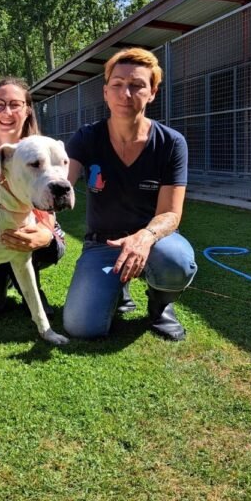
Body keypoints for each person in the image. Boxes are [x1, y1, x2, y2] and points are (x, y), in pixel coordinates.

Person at [63, 48, 197, 341]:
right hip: (102, 243)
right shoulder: (86, 138)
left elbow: (171, 214)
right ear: (106, 92)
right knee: (80, 327)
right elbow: (63, 184)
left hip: (154, 241)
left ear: (152, 93)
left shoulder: (172, 143)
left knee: (177, 262)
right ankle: (116, 289)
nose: (126, 93)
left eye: (137, 85)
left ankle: (160, 305)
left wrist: (145, 237)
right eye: (118, 84)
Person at [0, 77, 66, 317]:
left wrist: (46, 234)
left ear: (27, 110)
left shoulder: (44, 148)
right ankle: (6, 276)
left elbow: (51, 203)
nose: (6, 112)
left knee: (37, 243)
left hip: (37, 231)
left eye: (15, 104)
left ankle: (29, 282)